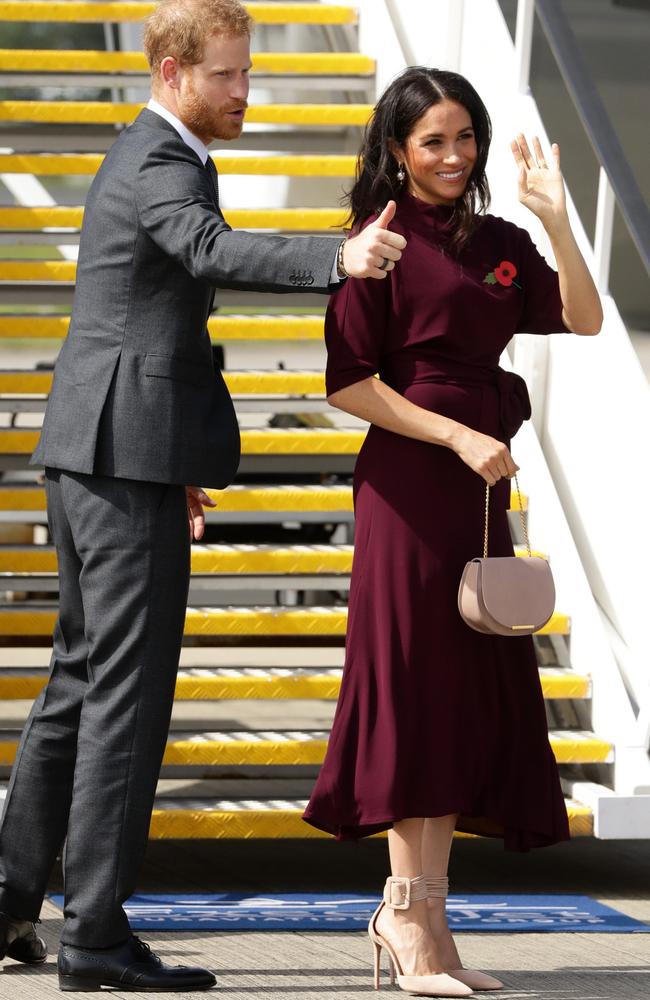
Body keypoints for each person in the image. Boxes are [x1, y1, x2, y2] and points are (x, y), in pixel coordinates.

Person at [0, 0, 406, 991]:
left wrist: (172, 452)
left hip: (106, 447)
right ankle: (94, 932)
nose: (244, 90)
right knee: (122, 704)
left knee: (76, 689)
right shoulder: (165, 160)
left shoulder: (148, 148)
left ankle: (12, 901)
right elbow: (209, 250)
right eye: (226, 74)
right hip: (118, 454)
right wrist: (335, 256)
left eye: (248, 72)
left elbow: (154, 311)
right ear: (171, 71)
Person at [303, 66, 602, 996]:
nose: (453, 156)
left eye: (464, 138)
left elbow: (586, 318)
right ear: (397, 149)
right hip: (408, 486)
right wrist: (457, 433)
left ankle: (422, 915)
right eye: (432, 140)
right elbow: (349, 381)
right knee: (414, 692)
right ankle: (407, 914)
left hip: (478, 491)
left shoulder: (500, 242)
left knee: (459, 695)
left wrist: (556, 215)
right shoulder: (377, 244)